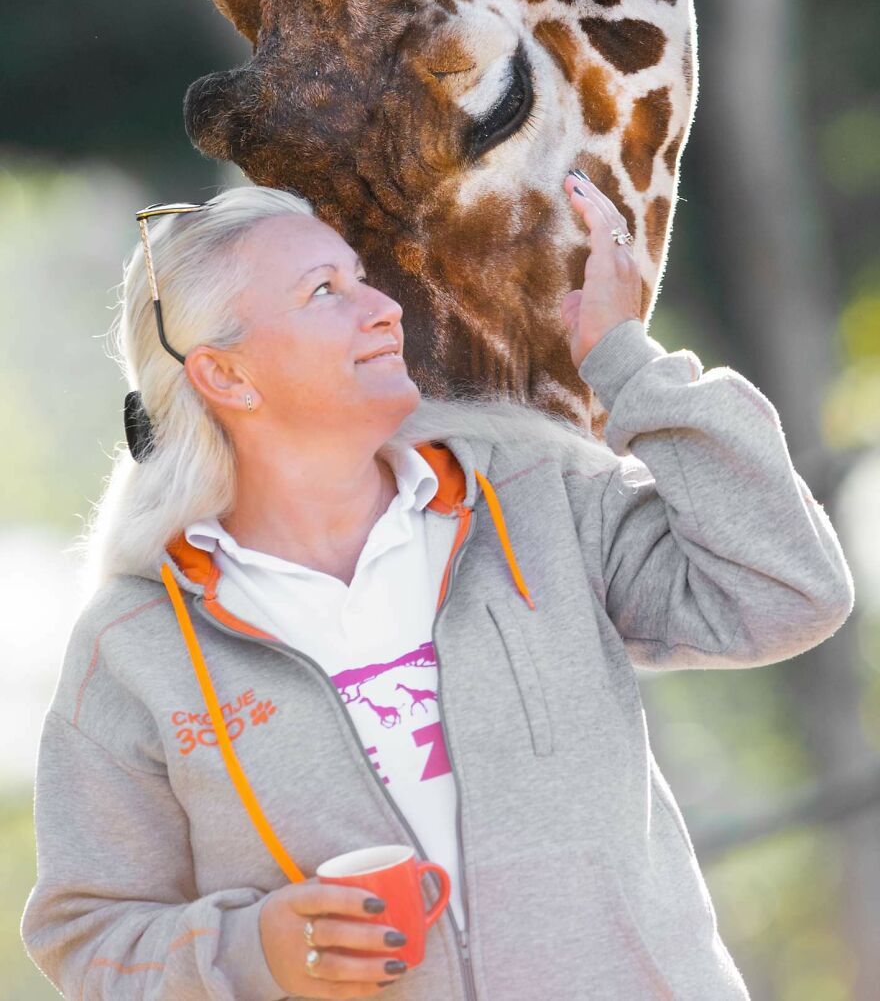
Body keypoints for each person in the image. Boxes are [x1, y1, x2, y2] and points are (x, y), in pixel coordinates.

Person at [21, 174, 854, 1001]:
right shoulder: (135, 647)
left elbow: (788, 589)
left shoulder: (536, 501)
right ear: (227, 377)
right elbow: (91, 937)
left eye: (361, 277)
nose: (383, 307)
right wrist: (254, 951)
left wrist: (624, 361)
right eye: (324, 291)